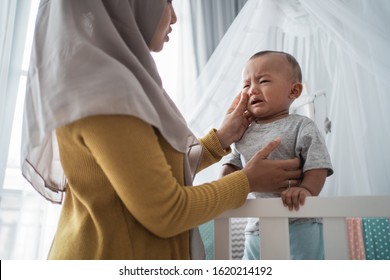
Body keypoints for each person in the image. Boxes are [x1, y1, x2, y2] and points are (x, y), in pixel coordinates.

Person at [20, 1, 301, 260]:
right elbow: (168, 211)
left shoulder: (110, 81)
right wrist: (247, 181)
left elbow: (149, 173)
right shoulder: (108, 94)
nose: (175, 17)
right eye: (167, 1)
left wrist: (221, 140)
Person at [221, 50, 333, 260]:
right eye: (246, 85)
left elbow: (318, 164)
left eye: (263, 81)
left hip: (299, 219)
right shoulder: (243, 131)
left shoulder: (302, 126)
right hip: (256, 225)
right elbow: (231, 167)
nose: (252, 90)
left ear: (294, 91)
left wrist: (306, 190)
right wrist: (226, 183)